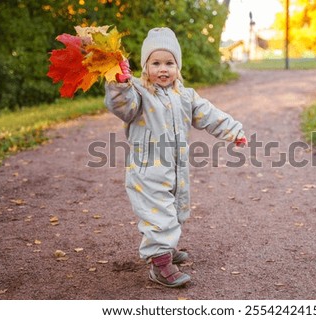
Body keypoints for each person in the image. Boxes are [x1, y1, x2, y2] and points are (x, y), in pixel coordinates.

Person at [104, 27, 247, 288]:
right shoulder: (138, 93)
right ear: (145, 66)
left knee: (175, 207)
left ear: (177, 66)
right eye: (155, 63)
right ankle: (159, 264)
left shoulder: (186, 95)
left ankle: (166, 249)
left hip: (176, 167)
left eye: (169, 63)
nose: (163, 69)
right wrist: (120, 84)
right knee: (158, 214)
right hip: (147, 171)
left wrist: (233, 131)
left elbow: (210, 115)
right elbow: (122, 106)